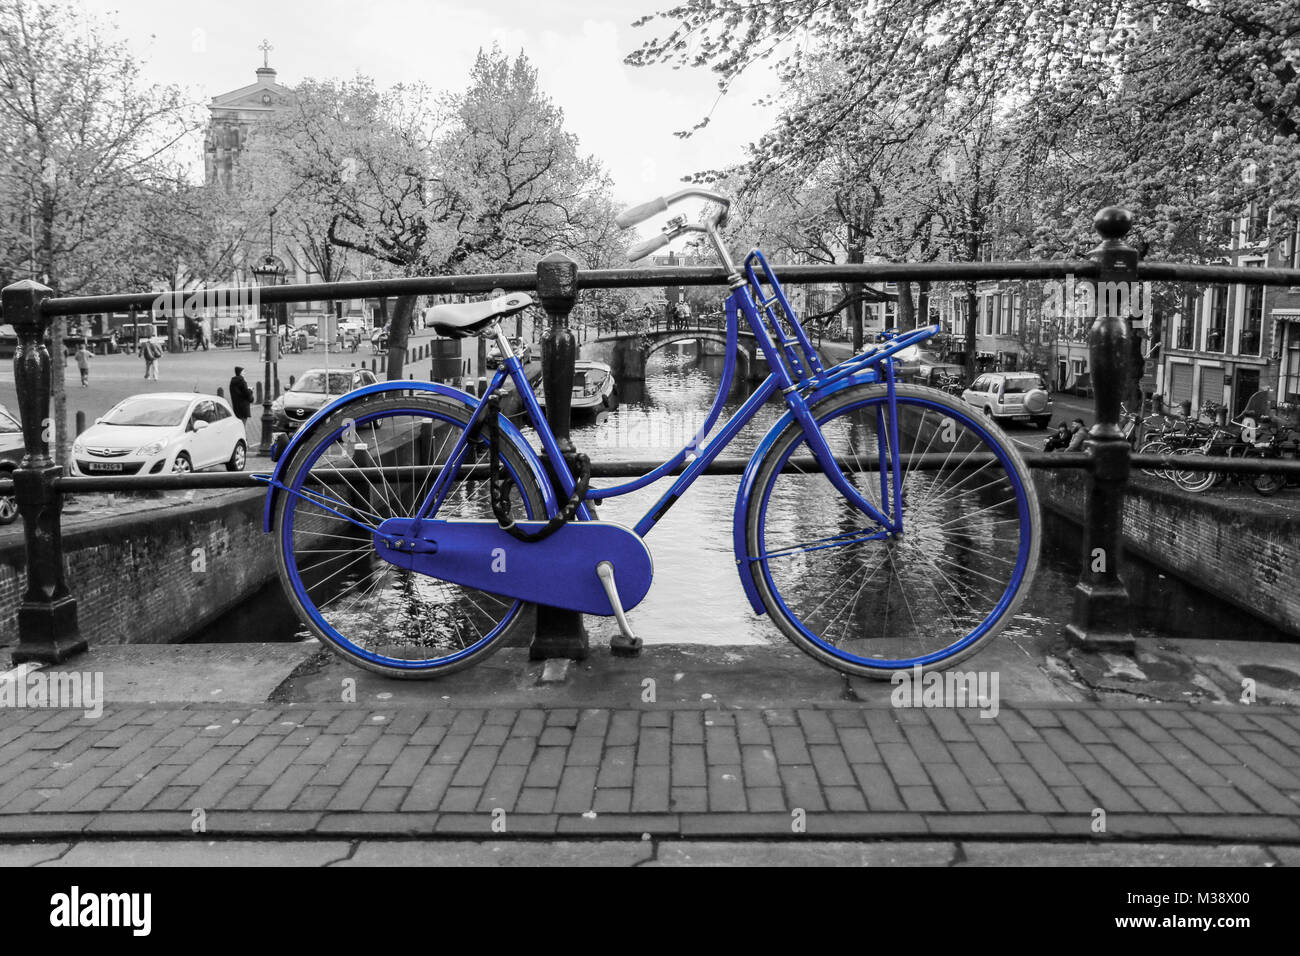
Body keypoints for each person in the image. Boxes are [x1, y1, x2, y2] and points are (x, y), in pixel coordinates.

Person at [229, 366, 255, 437]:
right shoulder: (242, 381)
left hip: (236, 407)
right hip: (243, 407)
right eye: (243, 371)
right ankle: (243, 442)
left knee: (238, 425)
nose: (245, 373)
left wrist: (247, 389)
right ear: (240, 373)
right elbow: (247, 394)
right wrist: (251, 391)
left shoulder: (232, 382)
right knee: (243, 426)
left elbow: (240, 393)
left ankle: (239, 439)